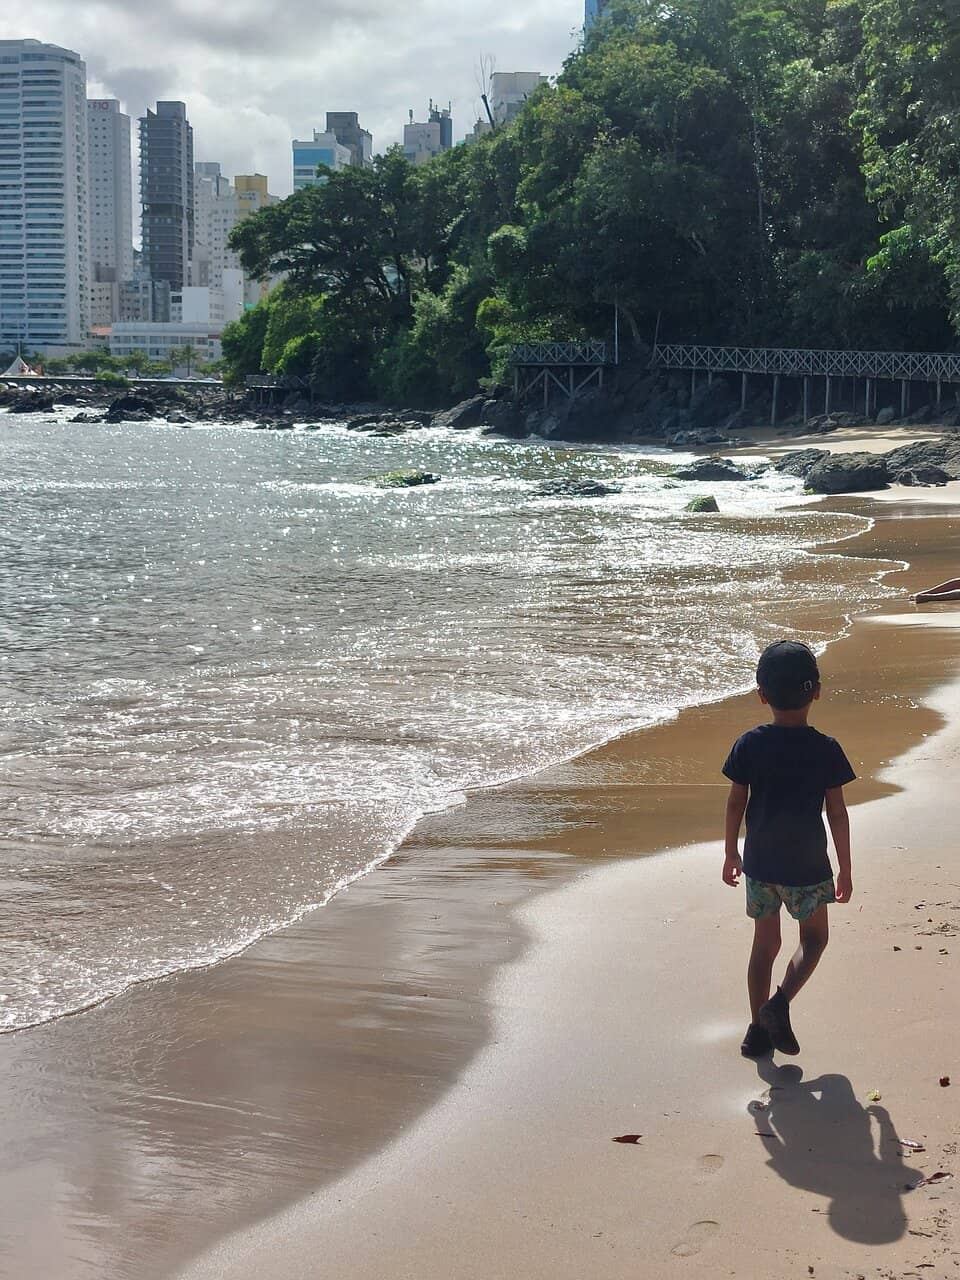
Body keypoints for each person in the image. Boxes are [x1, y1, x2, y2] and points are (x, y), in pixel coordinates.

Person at [721, 641, 856, 1058]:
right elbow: (836, 813)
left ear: (761, 694)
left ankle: (756, 1031)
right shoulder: (826, 749)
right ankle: (778, 1005)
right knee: (814, 940)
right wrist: (846, 868)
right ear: (816, 690)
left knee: (765, 945)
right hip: (807, 866)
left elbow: (735, 802)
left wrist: (731, 852)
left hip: (761, 863)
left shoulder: (749, 744)